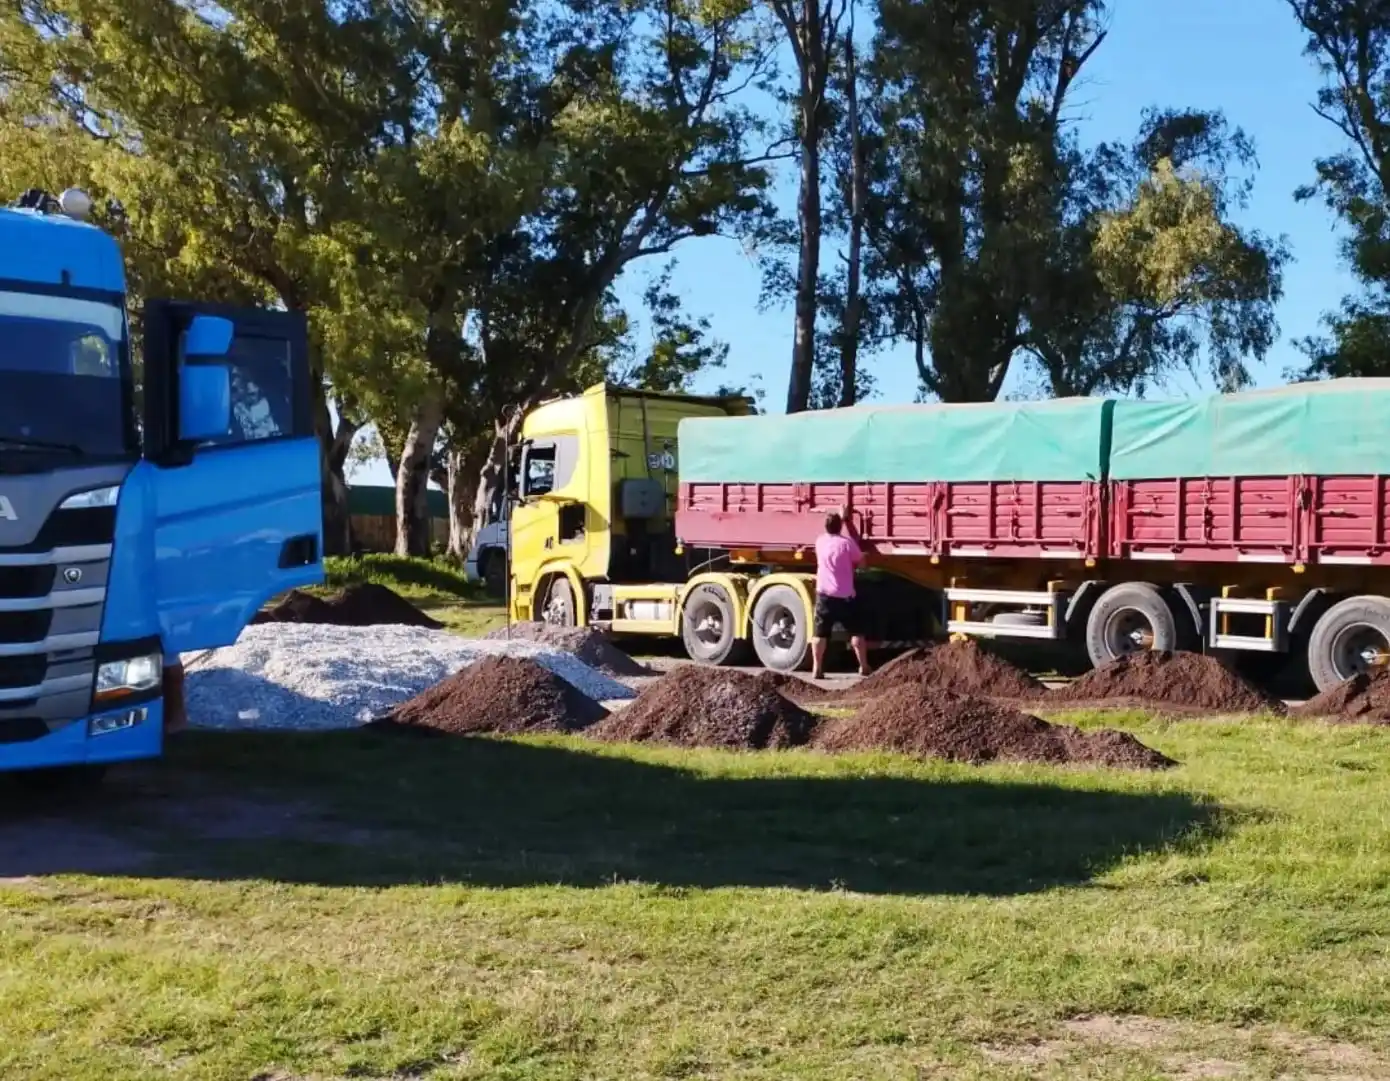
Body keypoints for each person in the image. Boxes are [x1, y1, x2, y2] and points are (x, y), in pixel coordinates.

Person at [812, 505, 870, 680]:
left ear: (825, 527)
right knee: (856, 633)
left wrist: (840, 519)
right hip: (845, 596)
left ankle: (817, 668)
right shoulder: (847, 544)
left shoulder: (820, 542)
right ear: (840, 526)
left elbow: (832, 533)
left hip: (824, 595)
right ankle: (863, 666)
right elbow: (861, 563)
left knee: (820, 634)